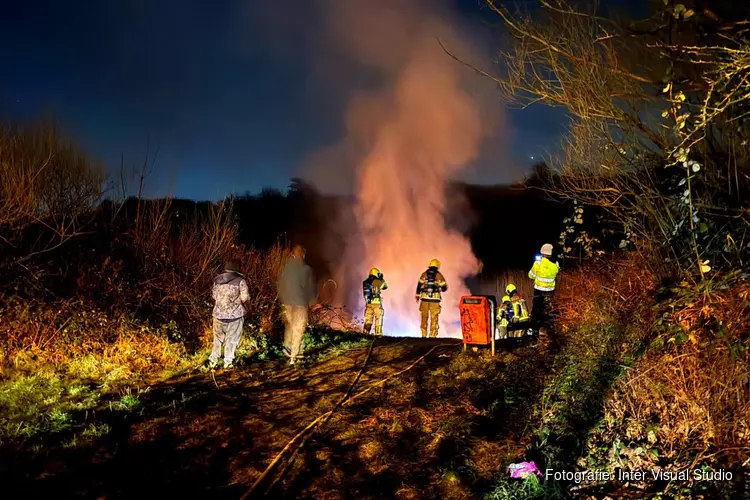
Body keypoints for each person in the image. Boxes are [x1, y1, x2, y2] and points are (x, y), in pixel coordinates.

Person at [278, 245, 317, 365]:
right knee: (298, 328)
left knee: (290, 325)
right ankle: (293, 357)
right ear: (303, 255)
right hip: (300, 304)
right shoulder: (307, 269)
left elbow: (281, 286)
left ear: (293, 255)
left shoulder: (287, 269)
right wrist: (313, 301)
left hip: (288, 303)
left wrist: (283, 301)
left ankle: (288, 346)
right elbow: (311, 288)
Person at [209, 260, 249, 369]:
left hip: (218, 315)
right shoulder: (241, 281)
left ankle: (213, 361)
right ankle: (228, 362)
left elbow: (214, 296)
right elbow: (245, 297)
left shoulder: (217, 281)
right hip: (235, 315)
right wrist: (236, 301)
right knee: (232, 339)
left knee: (217, 339)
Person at [528, 243, 560, 335]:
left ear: (542, 252)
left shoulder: (537, 263)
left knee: (536, 311)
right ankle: (548, 332)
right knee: (549, 311)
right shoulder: (556, 265)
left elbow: (530, 276)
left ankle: (534, 332)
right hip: (550, 292)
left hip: (538, 292)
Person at [415, 258, 448, 338]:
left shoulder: (424, 274)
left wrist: (417, 295)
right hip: (435, 300)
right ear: (437, 266)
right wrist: (439, 289)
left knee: (424, 317)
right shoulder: (439, 275)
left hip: (424, 299)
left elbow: (419, 285)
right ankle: (432, 335)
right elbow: (444, 287)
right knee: (434, 317)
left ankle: (424, 335)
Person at [363, 267, 388, 336]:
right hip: (376, 304)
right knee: (378, 319)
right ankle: (378, 334)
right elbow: (385, 286)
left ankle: (365, 335)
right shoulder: (377, 281)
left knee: (368, 320)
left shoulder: (365, 282)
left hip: (368, 304)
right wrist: (381, 279)